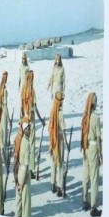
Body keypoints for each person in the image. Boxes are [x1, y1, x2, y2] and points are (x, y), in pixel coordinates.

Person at [80, 92, 102, 217]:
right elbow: (98, 138)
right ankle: (93, 207)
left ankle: (85, 201)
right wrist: (100, 154)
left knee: (86, 176)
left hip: (85, 147)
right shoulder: (96, 118)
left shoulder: (85, 116)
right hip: (93, 147)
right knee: (94, 178)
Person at [47, 54, 66, 196]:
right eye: (56, 59)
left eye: (58, 59)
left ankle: (52, 183)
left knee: (54, 160)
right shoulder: (60, 115)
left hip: (59, 89)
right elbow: (51, 78)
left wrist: (62, 91)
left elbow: (63, 82)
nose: (57, 61)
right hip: (55, 90)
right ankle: (58, 186)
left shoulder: (62, 69)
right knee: (59, 162)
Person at [21, 69, 40, 180]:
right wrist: (41, 119)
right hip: (31, 117)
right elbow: (35, 107)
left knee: (25, 142)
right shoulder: (32, 90)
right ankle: (31, 169)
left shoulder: (23, 89)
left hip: (24, 117)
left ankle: (25, 166)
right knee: (31, 144)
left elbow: (21, 105)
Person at [13, 117, 33, 217]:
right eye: (28, 129)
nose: (30, 130)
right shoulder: (26, 143)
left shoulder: (20, 139)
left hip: (19, 171)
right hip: (24, 173)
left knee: (19, 200)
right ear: (24, 130)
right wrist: (21, 183)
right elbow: (25, 166)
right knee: (25, 201)